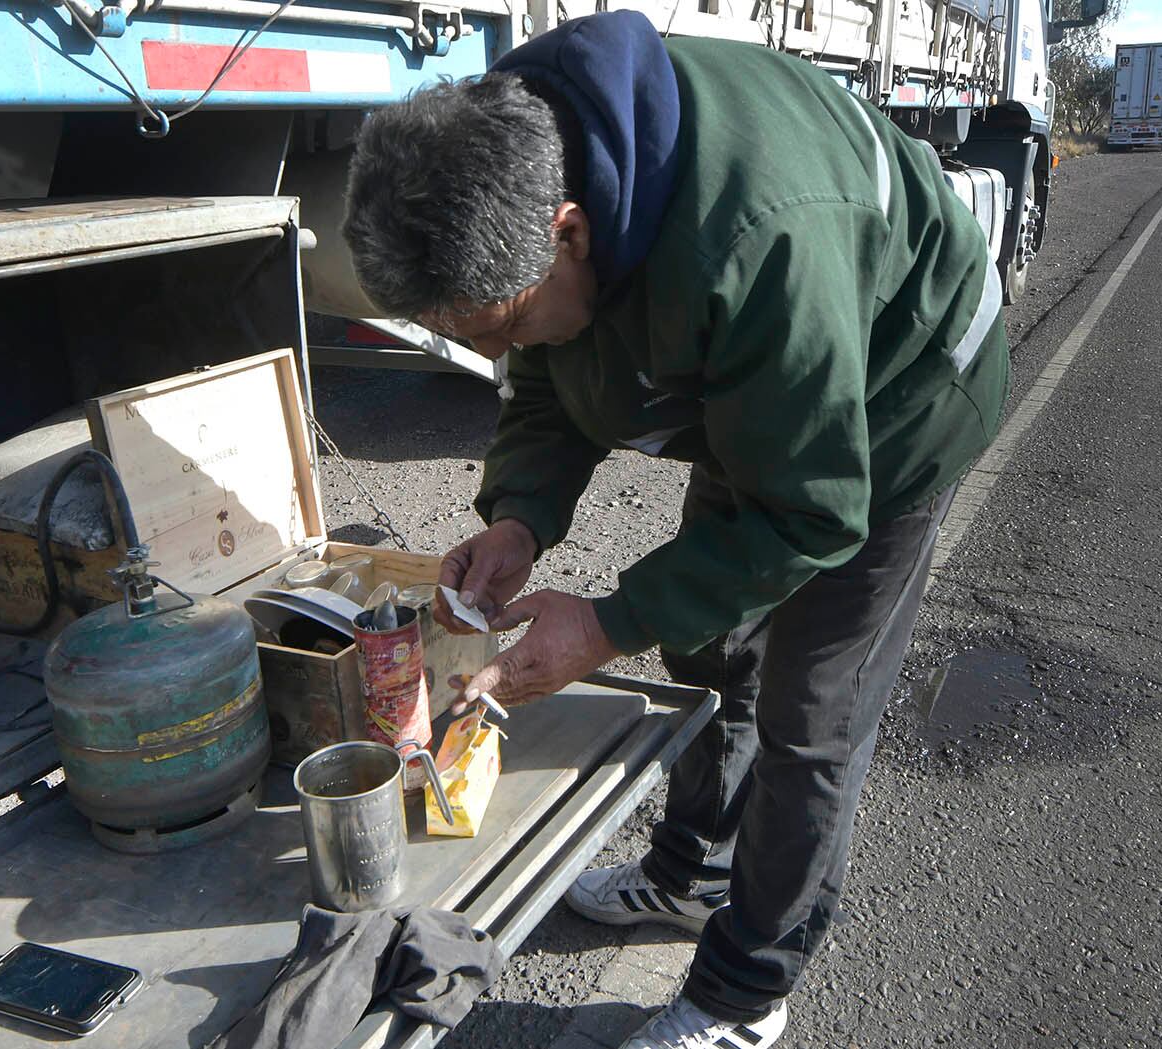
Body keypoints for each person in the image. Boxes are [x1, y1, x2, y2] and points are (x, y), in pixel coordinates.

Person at [341, 11, 1009, 1049]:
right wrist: (520, 515)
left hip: (896, 404)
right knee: (706, 639)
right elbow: (550, 373)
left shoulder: (753, 240)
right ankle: (689, 874)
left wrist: (607, 624)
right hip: (771, 390)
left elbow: (810, 505)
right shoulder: (528, 156)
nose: (504, 346)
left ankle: (747, 992)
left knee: (811, 713)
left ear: (569, 230)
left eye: (502, 324)